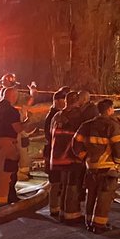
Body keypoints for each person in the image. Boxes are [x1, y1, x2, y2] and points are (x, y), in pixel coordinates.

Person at [77, 98, 120, 233]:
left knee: (91, 195)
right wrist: (118, 161)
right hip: (107, 167)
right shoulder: (112, 125)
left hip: (91, 167)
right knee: (104, 198)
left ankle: (89, 221)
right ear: (110, 109)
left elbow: (75, 143)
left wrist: (83, 156)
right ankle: (99, 225)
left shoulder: (86, 125)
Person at [0, 85, 31, 208]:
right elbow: (17, 128)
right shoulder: (12, 111)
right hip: (7, 145)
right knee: (4, 173)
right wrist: (27, 121)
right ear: (13, 96)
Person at [47, 90, 87, 224]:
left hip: (57, 157)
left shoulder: (57, 116)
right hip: (71, 156)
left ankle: (62, 211)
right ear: (78, 101)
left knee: (63, 185)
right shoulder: (78, 116)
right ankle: (71, 214)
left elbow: (49, 135)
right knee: (72, 185)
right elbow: (82, 136)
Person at [41, 88, 68, 173]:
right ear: (57, 101)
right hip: (54, 152)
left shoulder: (57, 115)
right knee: (55, 180)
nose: (65, 102)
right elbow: (49, 135)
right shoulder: (54, 116)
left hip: (57, 153)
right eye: (64, 100)